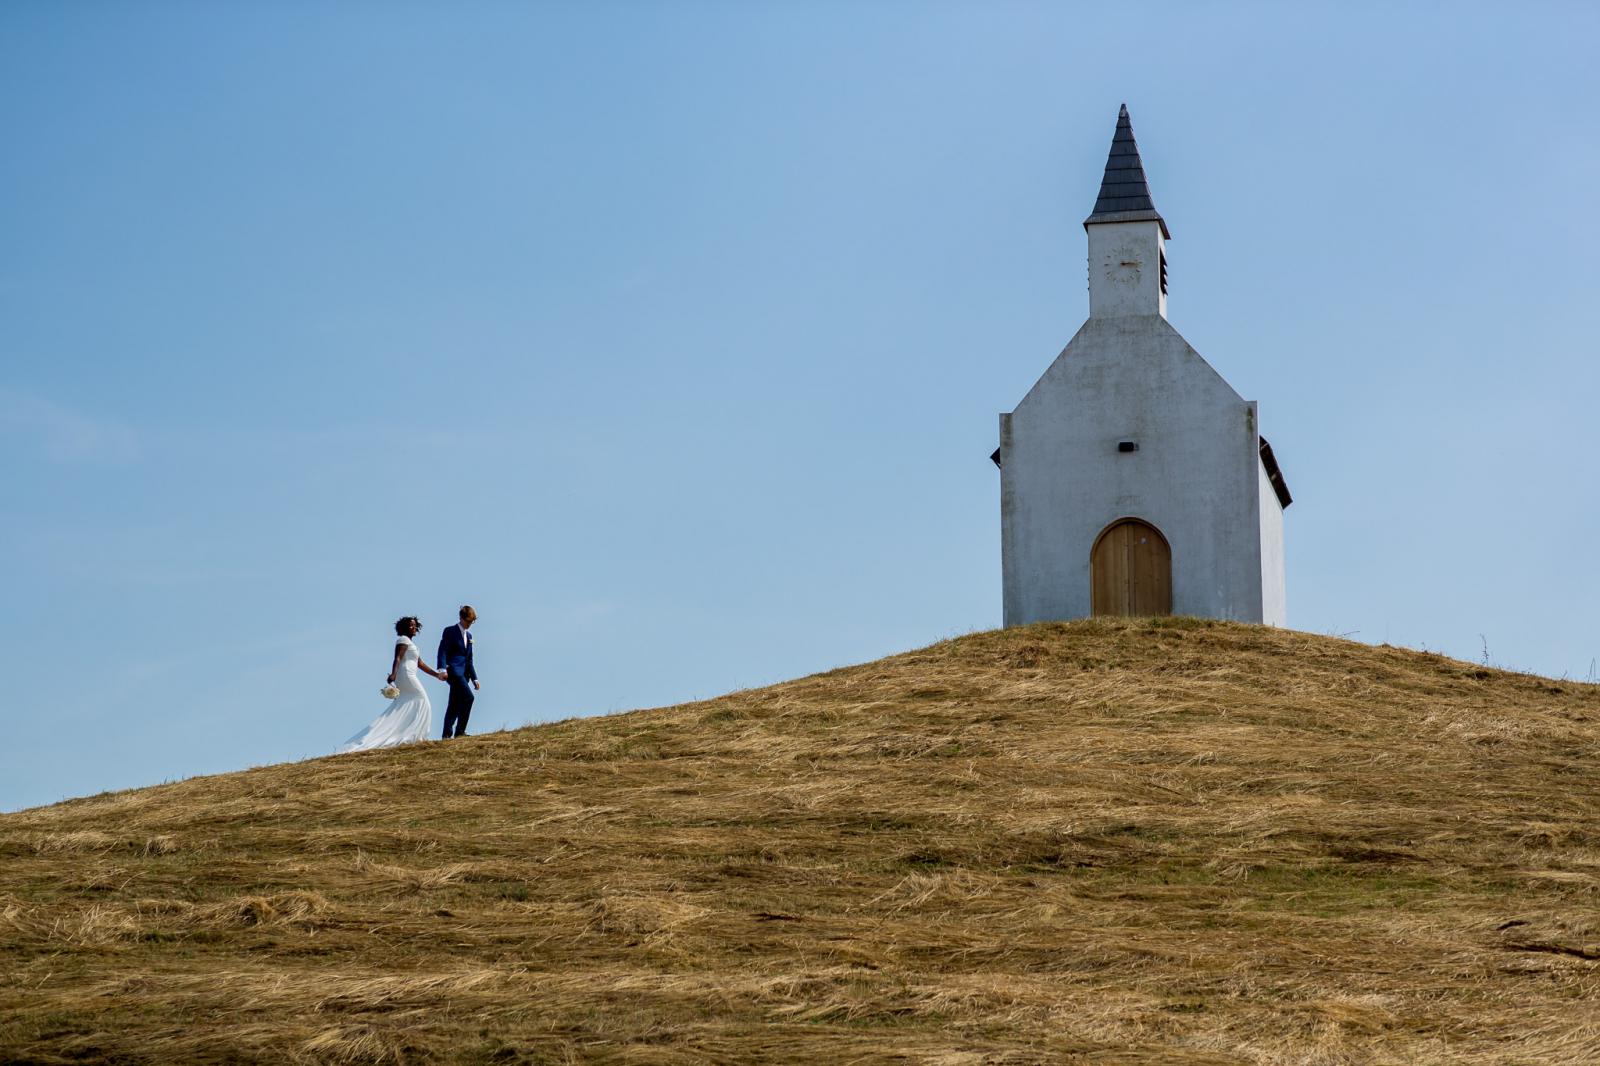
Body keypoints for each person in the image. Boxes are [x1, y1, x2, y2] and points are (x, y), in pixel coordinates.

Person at [337, 616, 448, 753]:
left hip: (410, 674)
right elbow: (398, 658)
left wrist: (436, 675)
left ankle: (413, 735)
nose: (413, 628)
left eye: (414, 626)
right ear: (404, 628)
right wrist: (393, 674)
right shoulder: (403, 640)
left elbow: (420, 664)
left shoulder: (412, 643)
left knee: (409, 704)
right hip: (406, 675)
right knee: (422, 700)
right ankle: (416, 735)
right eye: (410, 626)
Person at [437, 605, 481, 739]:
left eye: (471, 622)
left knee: (454, 704)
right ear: (461, 618)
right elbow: (442, 651)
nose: (469, 624)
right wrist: (442, 669)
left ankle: (446, 735)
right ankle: (460, 731)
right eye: (468, 621)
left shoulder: (469, 636)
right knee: (468, 697)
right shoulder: (450, 631)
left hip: (465, 674)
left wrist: (475, 678)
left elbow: (469, 659)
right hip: (453, 672)